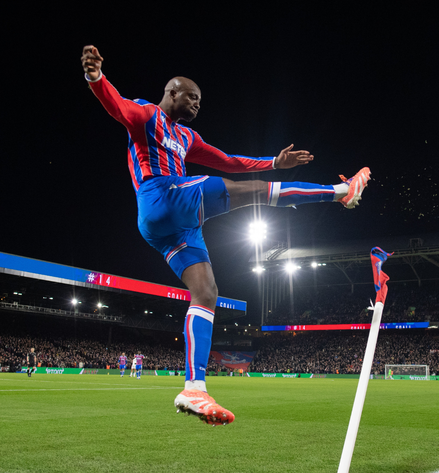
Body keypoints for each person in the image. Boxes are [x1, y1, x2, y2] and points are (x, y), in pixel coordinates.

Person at [81, 45, 370, 425]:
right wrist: (95, 77)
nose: (198, 104)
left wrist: (272, 163)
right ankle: (339, 192)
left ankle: (194, 390)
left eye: (200, 99)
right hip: (161, 196)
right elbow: (115, 105)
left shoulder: (186, 137)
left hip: (176, 224)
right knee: (247, 192)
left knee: (206, 292)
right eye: (192, 97)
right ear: (172, 93)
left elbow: (229, 160)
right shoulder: (146, 115)